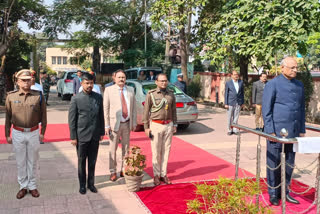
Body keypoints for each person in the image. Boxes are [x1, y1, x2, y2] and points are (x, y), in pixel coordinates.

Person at [262, 56, 305, 206]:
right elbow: (266, 110)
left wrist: (301, 129)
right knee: (274, 164)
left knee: (289, 164)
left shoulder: (299, 85)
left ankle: (285, 192)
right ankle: (273, 193)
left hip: (292, 132)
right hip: (276, 132)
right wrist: (270, 131)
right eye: (292, 68)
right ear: (282, 68)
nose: (295, 70)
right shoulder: (273, 84)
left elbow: (301, 109)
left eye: (296, 68)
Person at [5, 69, 47, 199]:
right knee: (21, 161)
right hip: (18, 132)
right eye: (23, 80)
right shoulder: (11, 96)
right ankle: (23, 186)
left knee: (33, 161)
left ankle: (32, 186)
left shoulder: (38, 96)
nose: (26, 82)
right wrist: (7, 134)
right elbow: (7, 117)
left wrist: (42, 132)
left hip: (33, 132)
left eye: (28, 80)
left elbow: (43, 116)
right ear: (17, 81)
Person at [68, 73, 105, 194]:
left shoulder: (98, 97)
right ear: (82, 83)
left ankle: (91, 184)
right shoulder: (76, 99)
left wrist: (101, 132)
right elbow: (72, 119)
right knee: (81, 161)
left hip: (94, 135)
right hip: (81, 135)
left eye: (91, 83)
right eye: (87, 83)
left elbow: (101, 116)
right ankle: (82, 185)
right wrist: (73, 137)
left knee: (92, 161)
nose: (89, 85)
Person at [143, 73, 177, 186]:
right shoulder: (151, 94)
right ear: (156, 82)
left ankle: (163, 174)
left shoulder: (171, 94)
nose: (164, 83)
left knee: (166, 151)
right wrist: (146, 128)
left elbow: (173, 111)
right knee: (156, 152)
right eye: (161, 81)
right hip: (156, 125)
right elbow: (146, 112)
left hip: (168, 125)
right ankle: (156, 175)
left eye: (165, 81)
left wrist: (175, 124)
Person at [103, 69, 137, 181]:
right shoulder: (108, 90)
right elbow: (106, 109)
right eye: (119, 77)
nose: (121, 79)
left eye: (123, 77)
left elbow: (134, 108)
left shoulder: (131, 90)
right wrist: (106, 125)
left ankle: (124, 169)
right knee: (113, 149)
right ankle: (113, 171)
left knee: (126, 149)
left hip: (127, 124)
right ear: (114, 78)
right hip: (114, 125)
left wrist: (134, 122)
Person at [224, 70, 244, 135]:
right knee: (230, 117)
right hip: (230, 102)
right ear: (231, 75)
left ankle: (235, 129)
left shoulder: (241, 82)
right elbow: (226, 93)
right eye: (235, 74)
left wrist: (242, 102)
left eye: (237, 74)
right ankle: (230, 129)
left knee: (236, 117)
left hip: (238, 102)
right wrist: (226, 103)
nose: (236, 76)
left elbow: (242, 93)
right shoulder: (228, 83)